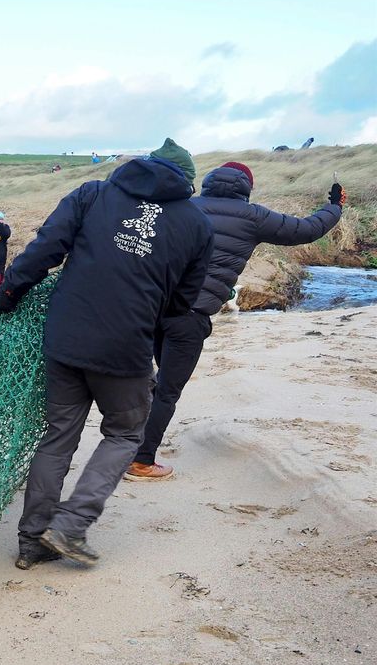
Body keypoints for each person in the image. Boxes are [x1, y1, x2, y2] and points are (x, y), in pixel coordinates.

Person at [0, 138, 213, 570]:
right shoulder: (197, 225)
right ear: (186, 180)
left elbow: (45, 250)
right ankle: (71, 526)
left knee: (58, 438)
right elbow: (183, 301)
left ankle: (32, 541)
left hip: (67, 336)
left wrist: (7, 292)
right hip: (126, 345)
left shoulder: (93, 193)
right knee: (127, 434)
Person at [126, 163, 345, 480]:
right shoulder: (253, 217)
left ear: (209, 183)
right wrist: (335, 207)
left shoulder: (182, 207)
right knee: (167, 391)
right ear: (247, 187)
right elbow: (307, 229)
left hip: (150, 308)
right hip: (190, 317)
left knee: (156, 381)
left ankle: (130, 443)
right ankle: (140, 460)